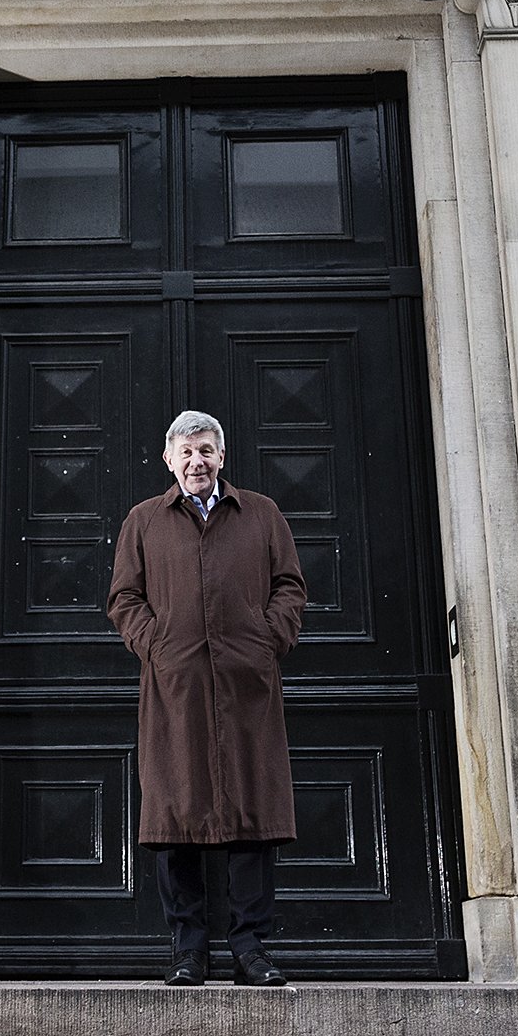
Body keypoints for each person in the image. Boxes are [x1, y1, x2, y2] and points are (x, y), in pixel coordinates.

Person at [107, 409, 306, 987]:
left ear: (222, 456)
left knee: (253, 817)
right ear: (169, 460)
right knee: (176, 817)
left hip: (248, 687)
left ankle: (250, 949)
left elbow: (289, 585)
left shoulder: (261, 514)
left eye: (206, 450)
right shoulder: (144, 520)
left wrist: (268, 639)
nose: (197, 461)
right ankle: (188, 951)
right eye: (187, 452)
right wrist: (157, 645)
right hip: (176, 688)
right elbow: (124, 598)